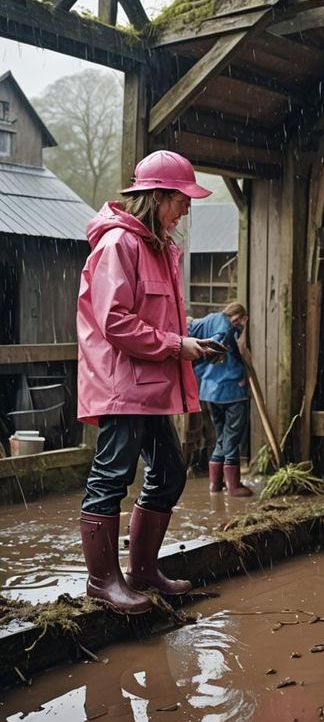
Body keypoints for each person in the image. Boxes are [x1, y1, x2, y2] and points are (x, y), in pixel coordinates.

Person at [76, 151, 220, 614]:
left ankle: (141, 571)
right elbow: (115, 321)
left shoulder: (160, 247)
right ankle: (103, 581)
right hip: (123, 386)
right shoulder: (119, 245)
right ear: (156, 197)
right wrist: (178, 345)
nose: (186, 209)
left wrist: (190, 338)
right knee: (111, 477)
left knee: (170, 473)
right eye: (181, 199)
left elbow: (156, 317)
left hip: (151, 387)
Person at [187, 300, 254, 497]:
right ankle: (234, 486)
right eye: (242, 321)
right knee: (233, 435)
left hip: (210, 391)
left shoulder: (209, 319)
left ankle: (215, 485)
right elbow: (220, 348)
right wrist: (240, 377)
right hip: (231, 390)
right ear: (239, 317)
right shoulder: (226, 327)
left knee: (221, 436)